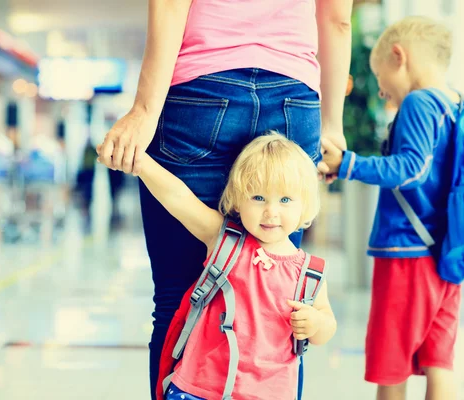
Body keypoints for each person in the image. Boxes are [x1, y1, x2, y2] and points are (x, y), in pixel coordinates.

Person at [96, 1, 353, 396]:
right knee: (283, 304)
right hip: (293, 94)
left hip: (201, 86)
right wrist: (332, 124)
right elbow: (336, 20)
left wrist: (146, 110)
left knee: (178, 296)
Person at [100, 133, 336, 399]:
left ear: (305, 205)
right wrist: (139, 162)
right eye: (258, 197)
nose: (271, 212)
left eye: (284, 200)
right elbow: (179, 198)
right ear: (237, 199)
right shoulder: (227, 242)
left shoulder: (309, 273)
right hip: (200, 389)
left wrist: (315, 324)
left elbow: (326, 325)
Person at [320, 16, 461, 400]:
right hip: (445, 254)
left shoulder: (418, 102)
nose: (383, 94)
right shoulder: (455, 104)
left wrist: (347, 163)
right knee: (440, 364)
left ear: (399, 57)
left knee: (391, 363)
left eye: (382, 82)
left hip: (407, 254)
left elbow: (411, 168)